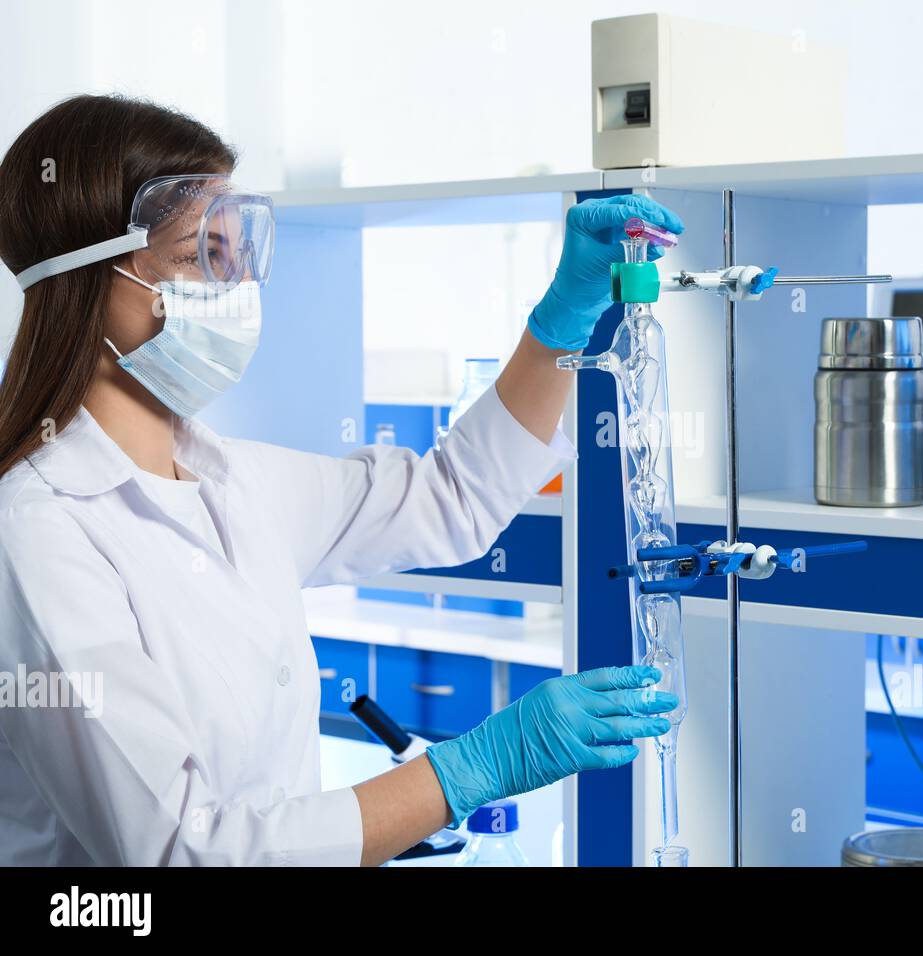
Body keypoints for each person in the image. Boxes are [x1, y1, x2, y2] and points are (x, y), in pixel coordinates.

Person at [0, 94, 684, 866]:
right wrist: (474, 768)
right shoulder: (36, 531)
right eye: (202, 255)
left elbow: (450, 498)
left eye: (239, 253)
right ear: (88, 272)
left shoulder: (232, 479)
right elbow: (182, 853)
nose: (234, 288)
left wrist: (563, 319)